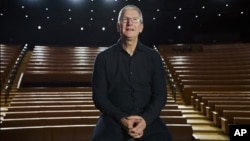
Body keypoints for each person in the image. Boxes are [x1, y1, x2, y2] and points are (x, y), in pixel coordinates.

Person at [92, 4, 172, 141]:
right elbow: (99, 98)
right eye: (125, 19)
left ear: (141, 27)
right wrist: (121, 118)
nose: (130, 23)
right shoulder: (103, 58)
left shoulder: (153, 57)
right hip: (113, 119)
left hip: (147, 119)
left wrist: (145, 120)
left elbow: (160, 95)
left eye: (135, 19)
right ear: (118, 26)